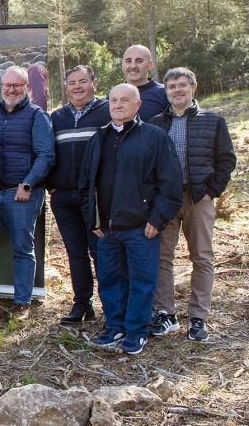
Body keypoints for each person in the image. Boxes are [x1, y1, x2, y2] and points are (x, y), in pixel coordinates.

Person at [79, 84, 183, 355]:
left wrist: (157, 219)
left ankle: (136, 330)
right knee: (110, 280)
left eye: (125, 100)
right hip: (107, 230)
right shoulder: (98, 138)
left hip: (142, 227)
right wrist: (94, 220)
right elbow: (85, 183)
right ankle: (115, 326)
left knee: (142, 280)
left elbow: (170, 183)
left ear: (138, 105)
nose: (118, 105)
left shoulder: (154, 137)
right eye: (113, 100)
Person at [149, 68, 235, 341]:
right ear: (166, 90)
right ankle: (166, 314)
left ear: (193, 87)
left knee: (202, 257)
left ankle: (198, 318)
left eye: (182, 85)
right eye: (172, 86)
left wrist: (212, 192)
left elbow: (226, 160)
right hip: (165, 200)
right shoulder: (155, 123)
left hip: (199, 198)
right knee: (162, 257)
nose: (177, 90)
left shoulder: (213, 121)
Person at [0, 66, 54, 320]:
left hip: (22, 195)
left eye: (17, 85)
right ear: (0, 87)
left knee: (23, 249)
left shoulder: (37, 116)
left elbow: (46, 155)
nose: (12, 90)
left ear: (27, 88)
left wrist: (28, 185)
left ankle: (22, 302)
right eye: (7, 86)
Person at [46, 66, 111, 325]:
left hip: (95, 197)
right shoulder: (56, 117)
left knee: (101, 251)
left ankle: (111, 305)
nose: (77, 87)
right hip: (62, 198)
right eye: (72, 82)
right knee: (75, 252)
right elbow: (47, 154)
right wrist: (51, 185)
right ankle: (82, 304)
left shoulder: (107, 111)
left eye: (82, 81)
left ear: (94, 84)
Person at [121, 45, 168, 122]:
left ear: (150, 65)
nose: (133, 66)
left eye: (139, 61)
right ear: (122, 65)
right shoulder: (114, 95)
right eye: (128, 61)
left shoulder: (164, 93)